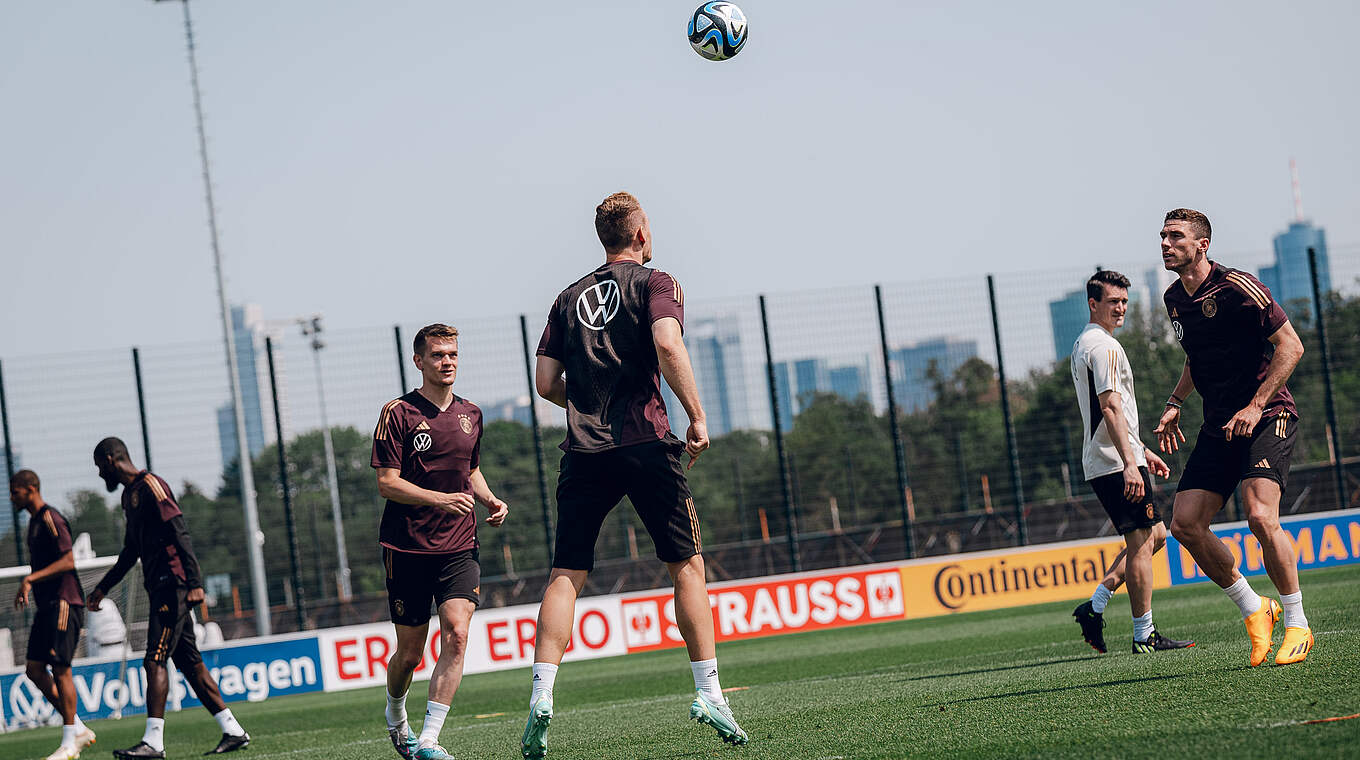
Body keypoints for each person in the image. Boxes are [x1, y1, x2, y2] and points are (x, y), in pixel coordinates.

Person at [522, 192, 747, 760]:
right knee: (686, 565)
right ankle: (710, 694)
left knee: (565, 574)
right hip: (645, 440)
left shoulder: (567, 297)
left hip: (584, 448)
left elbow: (546, 382)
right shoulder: (655, 282)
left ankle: (542, 699)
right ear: (641, 235)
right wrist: (696, 416)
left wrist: (589, 402)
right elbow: (668, 344)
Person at [1154, 208, 1312, 666]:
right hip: (1218, 423)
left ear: (1202, 244)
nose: (1166, 243)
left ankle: (1298, 624)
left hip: (1268, 414)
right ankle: (1255, 608)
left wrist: (1256, 405)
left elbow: (1292, 346)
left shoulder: (1238, 287)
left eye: (1175, 236)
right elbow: (1196, 359)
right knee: (1184, 523)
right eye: (1163, 236)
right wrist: (1175, 402)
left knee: (1261, 517)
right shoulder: (1173, 299)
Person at [373, 323, 509, 760]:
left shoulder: (472, 413)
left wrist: (489, 499)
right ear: (419, 361)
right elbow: (387, 483)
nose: (446, 361)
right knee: (410, 654)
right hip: (407, 548)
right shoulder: (398, 413)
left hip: (459, 545)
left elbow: (469, 469)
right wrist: (439, 499)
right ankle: (396, 711)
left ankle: (429, 740)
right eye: (437, 355)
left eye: (452, 354)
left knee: (457, 633)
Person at [87, 437, 250, 757]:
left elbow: (179, 531)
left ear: (110, 459)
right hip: (160, 586)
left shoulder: (152, 486)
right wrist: (102, 588)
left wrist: (194, 581)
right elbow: (130, 551)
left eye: (98, 467)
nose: (98, 473)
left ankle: (154, 743)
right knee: (190, 663)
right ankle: (233, 730)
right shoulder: (128, 496)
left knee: (154, 659)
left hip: (174, 585)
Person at [1067, 272, 1193, 654]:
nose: (1120, 308)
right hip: (1112, 462)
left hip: (1115, 456)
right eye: (1112, 302)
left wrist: (1140, 451)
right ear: (1093, 304)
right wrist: (1128, 462)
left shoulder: (1084, 343)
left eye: (1124, 301)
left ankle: (1095, 606)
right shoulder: (1103, 347)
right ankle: (1144, 635)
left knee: (1155, 536)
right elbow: (1108, 407)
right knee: (1140, 542)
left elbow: (1112, 412)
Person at [10, 469, 97, 760]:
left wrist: (31, 579)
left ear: (31, 488)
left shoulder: (50, 517)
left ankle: (70, 741)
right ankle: (79, 728)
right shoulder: (33, 523)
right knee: (34, 669)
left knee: (61, 669)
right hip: (47, 607)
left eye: (15, 491)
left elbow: (69, 560)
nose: (12, 496)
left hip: (64, 602)